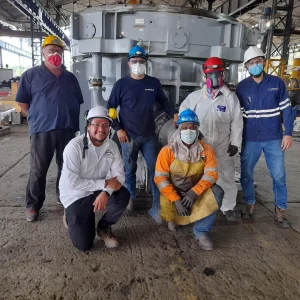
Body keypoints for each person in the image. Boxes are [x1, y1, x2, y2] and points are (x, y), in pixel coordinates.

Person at [16, 35, 84, 222]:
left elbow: (77, 101)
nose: (55, 54)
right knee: (38, 169)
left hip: (67, 129)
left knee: (67, 167)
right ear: (43, 53)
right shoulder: (30, 75)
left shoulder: (70, 78)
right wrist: (38, 116)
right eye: (50, 50)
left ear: (63, 54)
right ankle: (33, 205)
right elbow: (22, 102)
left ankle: (63, 197)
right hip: (42, 130)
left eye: (58, 51)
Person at [107, 45, 178, 223]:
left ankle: (156, 206)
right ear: (129, 63)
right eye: (134, 61)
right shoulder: (121, 84)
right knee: (129, 169)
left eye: (141, 61)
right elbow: (111, 109)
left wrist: (175, 113)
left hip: (149, 136)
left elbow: (163, 101)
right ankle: (131, 199)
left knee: (157, 172)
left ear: (145, 63)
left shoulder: (153, 83)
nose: (138, 64)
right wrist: (118, 129)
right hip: (128, 137)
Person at [179, 57, 243, 222]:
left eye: (217, 73)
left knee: (227, 176)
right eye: (210, 74)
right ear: (204, 76)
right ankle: (195, 205)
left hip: (223, 146)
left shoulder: (230, 98)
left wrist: (235, 143)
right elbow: (183, 114)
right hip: (199, 146)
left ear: (222, 73)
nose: (214, 77)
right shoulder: (195, 98)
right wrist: (191, 131)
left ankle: (228, 207)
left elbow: (237, 122)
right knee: (196, 176)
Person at [236, 46, 294, 228]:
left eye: (258, 61)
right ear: (246, 66)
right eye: (251, 63)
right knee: (246, 175)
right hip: (250, 138)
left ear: (264, 62)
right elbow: (237, 116)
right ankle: (249, 204)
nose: (255, 65)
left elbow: (287, 110)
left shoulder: (277, 83)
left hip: (274, 138)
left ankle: (280, 210)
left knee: (278, 175)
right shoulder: (242, 87)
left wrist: (288, 134)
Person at [59, 106, 130, 251]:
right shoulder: (74, 147)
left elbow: (119, 175)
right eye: (96, 124)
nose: (101, 129)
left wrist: (105, 193)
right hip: (76, 195)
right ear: (88, 126)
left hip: (99, 191)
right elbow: (73, 182)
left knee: (123, 195)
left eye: (105, 125)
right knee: (84, 245)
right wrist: (104, 183)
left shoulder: (112, 146)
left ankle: (103, 228)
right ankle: (71, 213)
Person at [154, 109, 224, 250]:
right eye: (185, 127)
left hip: (196, 191)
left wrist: (194, 193)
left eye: (192, 127)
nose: (189, 130)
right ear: (179, 130)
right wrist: (177, 200)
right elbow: (160, 178)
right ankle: (175, 218)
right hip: (175, 192)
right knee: (164, 212)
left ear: (198, 129)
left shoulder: (206, 150)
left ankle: (201, 232)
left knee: (217, 191)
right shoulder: (167, 151)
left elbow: (211, 175)